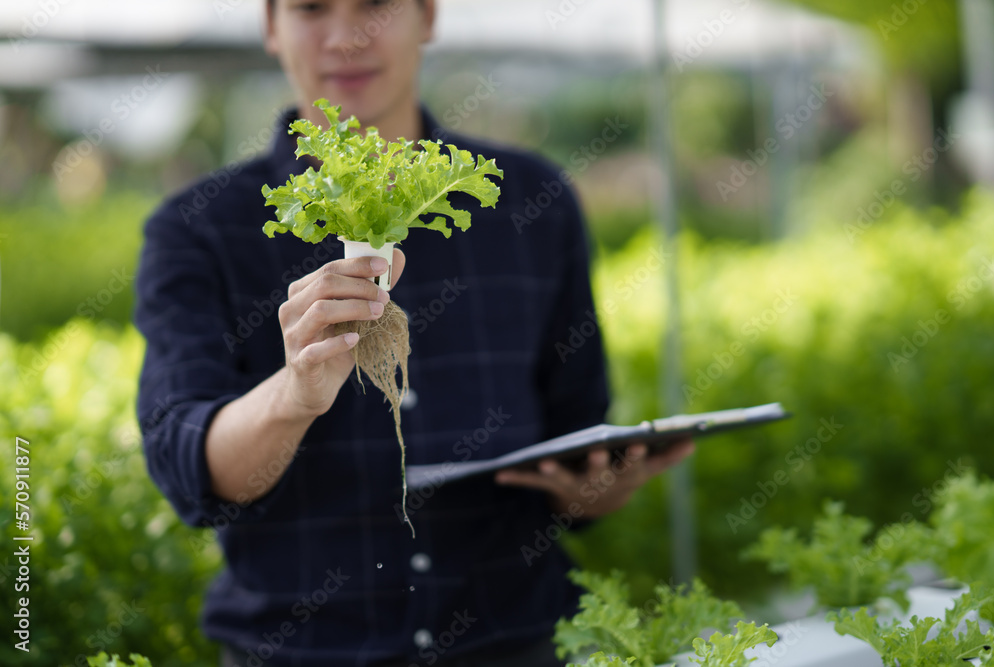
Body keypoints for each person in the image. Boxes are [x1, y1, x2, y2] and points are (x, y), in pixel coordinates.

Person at [133, 1, 696, 665]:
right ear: (270, 25)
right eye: (311, 8)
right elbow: (191, 469)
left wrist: (592, 490)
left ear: (428, 15)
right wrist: (295, 393)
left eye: (376, 4)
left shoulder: (533, 204)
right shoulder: (198, 228)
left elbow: (576, 429)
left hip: (512, 643)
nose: (346, 37)